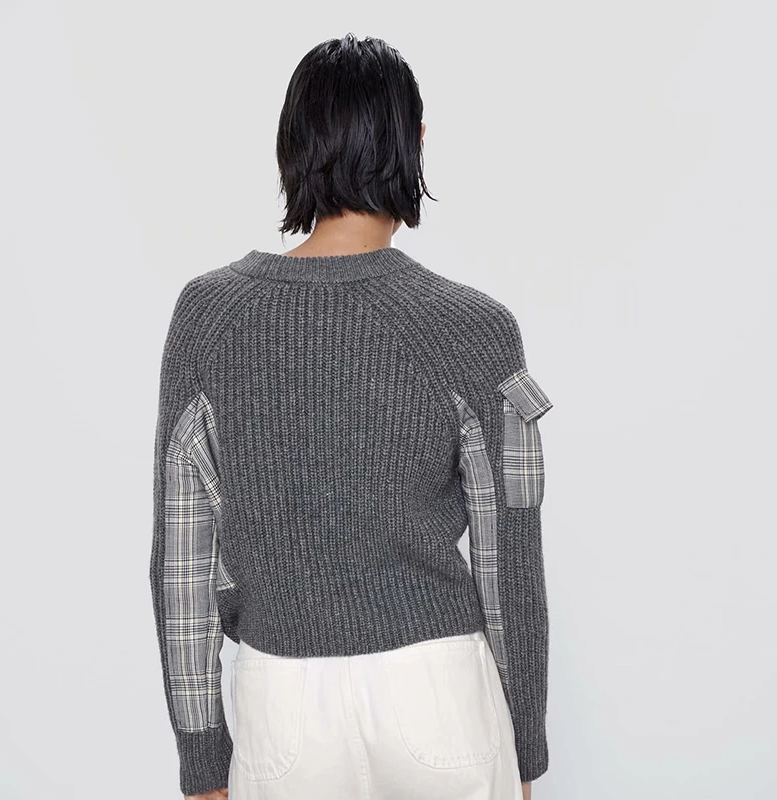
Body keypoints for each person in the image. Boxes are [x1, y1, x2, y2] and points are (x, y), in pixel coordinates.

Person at [150, 32, 553, 800]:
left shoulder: (208, 317)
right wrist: (524, 745)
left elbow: (183, 558)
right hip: (439, 694)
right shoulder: (473, 326)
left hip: (281, 698)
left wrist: (202, 753)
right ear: (414, 141)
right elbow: (511, 559)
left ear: (291, 147)